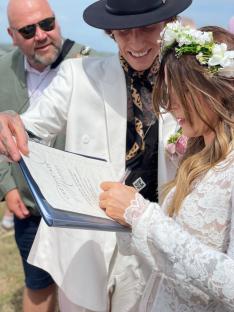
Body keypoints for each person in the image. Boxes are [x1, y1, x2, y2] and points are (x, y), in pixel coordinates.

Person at [0, 0, 192, 311]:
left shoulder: (190, 81)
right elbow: (31, 125)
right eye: (124, 32)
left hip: (154, 241)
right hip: (86, 243)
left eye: (147, 29)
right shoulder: (78, 75)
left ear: (168, 23)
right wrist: (9, 121)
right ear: (110, 32)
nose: (136, 43)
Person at [99, 21, 234, 311]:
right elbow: (174, 262)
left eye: (180, 92)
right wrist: (126, 220)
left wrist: (144, 215)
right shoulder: (196, 157)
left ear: (217, 88)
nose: (170, 105)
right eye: (166, 91)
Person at [0, 0, 101, 311]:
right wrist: (7, 186)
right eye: (28, 30)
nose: (42, 35)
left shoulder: (91, 65)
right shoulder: (3, 70)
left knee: (83, 293)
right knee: (38, 287)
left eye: (47, 23)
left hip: (83, 209)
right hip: (29, 209)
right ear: (12, 35)